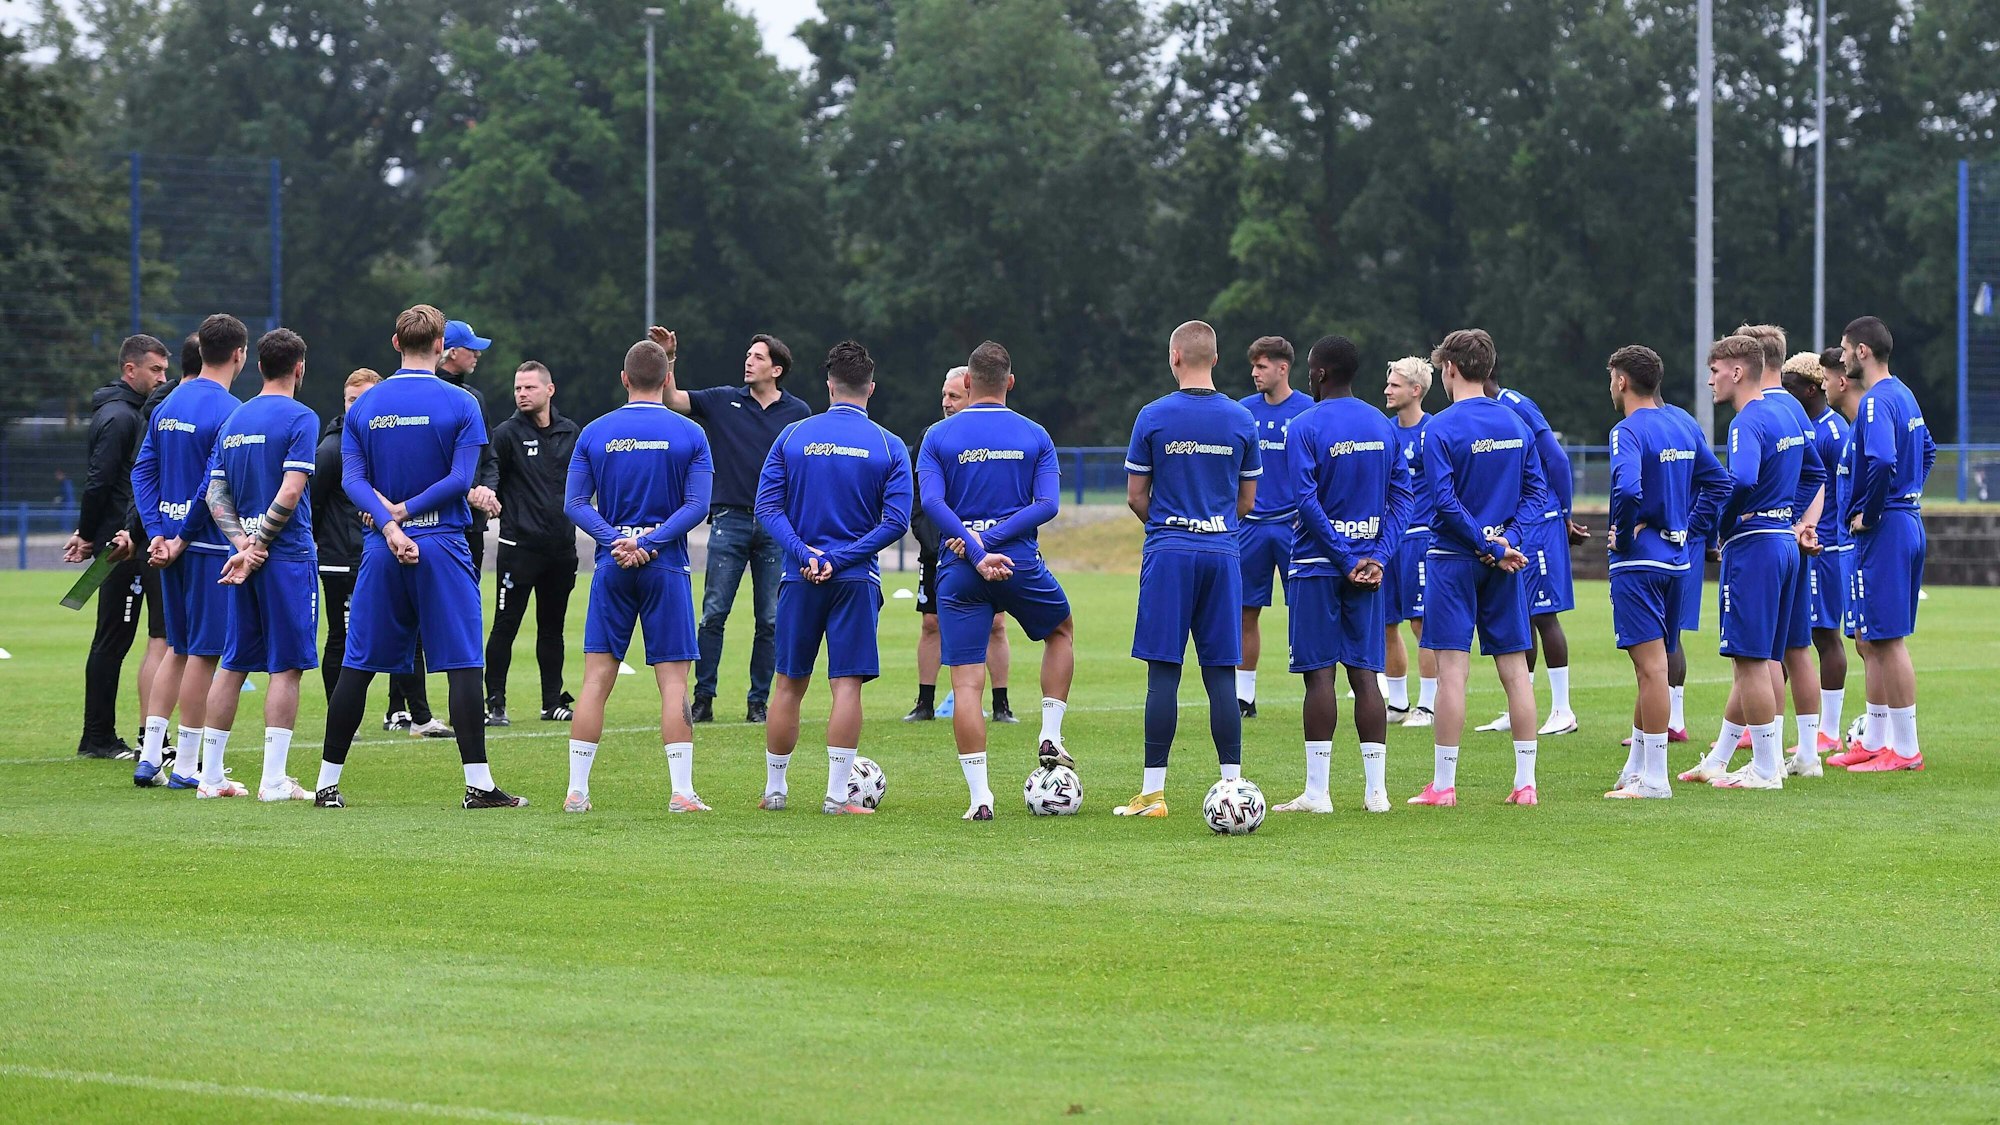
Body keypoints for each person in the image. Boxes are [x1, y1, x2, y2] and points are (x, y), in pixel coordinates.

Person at [311, 304, 526, 810]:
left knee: (357, 664)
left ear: (395, 343)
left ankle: (326, 785)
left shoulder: (365, 404)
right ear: (441, 346)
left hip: (381, 547)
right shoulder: (461, 402)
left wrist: (389, 524)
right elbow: (460, 478)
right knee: (463, 663)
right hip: (443, 542)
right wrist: (407, 513)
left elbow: (352, 480)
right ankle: (479, 785)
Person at [917, 341, 1075, 820]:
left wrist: (974, 543)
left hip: (959, 568)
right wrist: (994, 539)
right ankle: (1050, 733)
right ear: (1010, 382)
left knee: (967, 684)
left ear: (967, 382)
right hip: (1018, 562)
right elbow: (1048, 504)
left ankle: (980, 798)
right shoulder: (1035, 434)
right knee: (1060, 630)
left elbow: (932, 504)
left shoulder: (937, 436)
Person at [753, 340, 911, 815]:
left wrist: (805, 553)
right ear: (871, 388)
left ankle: (775, 792)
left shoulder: (792, 435)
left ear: (829, 385)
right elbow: (896, 522)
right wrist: (840, 559)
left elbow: (767, 507)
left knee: (788, 683)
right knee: (846, 685)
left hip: (800, 576)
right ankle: (837, 797)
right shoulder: (889, 444)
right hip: (855, 579)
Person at [1115, 321, 1261, 819]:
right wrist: (1212, 525)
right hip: (1222, 552)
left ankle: (1153, 795)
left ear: (1174, 357)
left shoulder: (1153, 416)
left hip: (1169, 554)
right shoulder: (1241, 418)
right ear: (1215, 359)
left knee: (1164, 672)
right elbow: (1247, 501)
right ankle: (1232, 786)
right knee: (1221, 673)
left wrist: (1170, 526)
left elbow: (1136, 496)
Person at [562, 339, 715, 813]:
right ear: (667, 380)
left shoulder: (594, 432)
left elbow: (574, 504)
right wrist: (649, 542)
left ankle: (577, 791)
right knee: (673, 683)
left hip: (612, 563)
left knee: (595, 680)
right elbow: (698, 506)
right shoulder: (690, 433)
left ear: (624, 379)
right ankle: (682, 792)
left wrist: (616, 540)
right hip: (664, 564)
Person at [1270, 336, 1410, 815]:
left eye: (1310, 370)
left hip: (1316, 567)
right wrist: (1378, 556)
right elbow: (1403, 497)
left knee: (1320, 677)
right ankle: (1377, 794)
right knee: (1366, 674)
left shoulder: (1304, 425)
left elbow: (1305, 501)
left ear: (1320, 373)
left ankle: (1318, 793)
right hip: (1369, 567)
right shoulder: (1382, 425)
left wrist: (1344, 558)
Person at [1677, 333, 1824, 790]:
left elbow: (1739, 479)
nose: (1710, 381)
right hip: (1782, 543)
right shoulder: (1785, 413)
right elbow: (1815, 471)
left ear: (1737, 372)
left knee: (1751, 659)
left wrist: (1725, 523)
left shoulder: (1746, 422)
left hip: (1756, 546)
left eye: (1715, 371)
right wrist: (1789, 515)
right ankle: (1735, 760)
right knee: (1761, 658)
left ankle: (1765, 768)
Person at [651, 326, 813, 724]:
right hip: (730, 520)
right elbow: (673, 399)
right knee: (713, 614)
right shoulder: (724, 399)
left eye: (757, 357)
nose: (748, 361)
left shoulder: (799, 413)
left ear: (777, 370)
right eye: (748, 355)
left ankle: (758, 702)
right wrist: (668, 357)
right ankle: (703, 698)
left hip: (777, 526)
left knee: (770, 620)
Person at [1410, 329, 1543, 807]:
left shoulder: (1440, 427)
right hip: (1504, 562)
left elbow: (1444, 502)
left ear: (1449, 369)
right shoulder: (1516, 422)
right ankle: (1525, 784)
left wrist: (1485, 543)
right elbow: (1537, 493)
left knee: (1452, 673)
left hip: (1453, 560)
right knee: (1516, 672)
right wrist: (1507, 541)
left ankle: (1443, 786)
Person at [196, 327, 319, 801]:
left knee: (233, 664)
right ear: (299, 368)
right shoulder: (301, 417)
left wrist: (241, 545)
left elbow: (215, 491)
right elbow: (291, 489)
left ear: (259, 365)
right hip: (285, 557)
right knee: (286, 667)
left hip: (241, 555)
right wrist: (260, 545)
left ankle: (210, 778)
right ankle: (273, 781)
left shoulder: (235, 417)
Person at [1602, 346, 1730, 800]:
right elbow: (1719, 483)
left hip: (1640, 564)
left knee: (1651, 670)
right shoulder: (1682, 422)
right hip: (1677, 562)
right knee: (1653, 668)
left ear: (1622, 381)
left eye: (1612, 378)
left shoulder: (1626, 430)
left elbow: (1627, 489)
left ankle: (1655, 779)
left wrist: (1625, 535)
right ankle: (1635, 768)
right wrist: (1688, 529)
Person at [130, 314, 246, 789]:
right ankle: (186, 765)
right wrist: (179, 537)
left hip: (169, 545)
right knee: (203, 654)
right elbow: (212, 486)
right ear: (239, 355)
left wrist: (157, 532)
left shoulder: (169, 402)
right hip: (205, 546)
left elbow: (143, 471)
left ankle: (149, 757)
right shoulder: (232, 410)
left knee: (176, 649)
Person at [1831, 315, 1934, 772]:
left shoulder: (1875, 401)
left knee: (1888, 641)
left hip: (1887, 528)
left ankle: (1906, 750)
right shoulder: (1905, 394)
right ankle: (1875, 740)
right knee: (1875, 637)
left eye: (1844, 349)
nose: (1842, 358)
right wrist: (1909, 493)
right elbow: (1927, 450)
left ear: (1862, 351)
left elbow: (1883, 460)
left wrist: (1871, 513)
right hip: (1906, 520)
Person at [67, 334, 168, 760]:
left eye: (165, 370)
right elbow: (100, 480)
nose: (162, 378)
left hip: (122, 538)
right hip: (120, 546)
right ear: (130, 369)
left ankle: (101, 735)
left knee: (118, 638)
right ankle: (97, 737)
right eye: (155, 370)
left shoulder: (126, 412)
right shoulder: (120, 418)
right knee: (112, 639)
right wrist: (91, 533)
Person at [1475, 366, 1585, 737]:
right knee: (1521, 615)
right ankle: (1520, 706)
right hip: (1520, 522)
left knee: (1543, 614)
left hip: (1540, 520)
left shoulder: (1515, 404)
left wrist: (1565, 514)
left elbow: (1557, 459)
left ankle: (1562, 709)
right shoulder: (1490, 411)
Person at [1733, 324, 1824, 767]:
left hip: (1766, 541)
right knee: (1796, 648)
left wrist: (1777, 516)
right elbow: (1815, 474)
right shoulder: (1793, 407)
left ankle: (1766, 751)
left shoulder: (1763, 409)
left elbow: (1747, 480)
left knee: (1762, 652)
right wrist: (1802, 521)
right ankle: (1806, 752)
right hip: (1790, 539)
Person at [907, 366, 1012, 724]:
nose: (946, 402)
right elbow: (919, 498)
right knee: (931, 623)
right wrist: (933, 541)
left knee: (996, 623)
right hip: (938, 550)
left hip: (986, 543)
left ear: (972, 394)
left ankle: (1001, 705)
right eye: (944, 395)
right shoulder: (930, 437)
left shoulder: (993, 438)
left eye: (954, 396)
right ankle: (924, 703)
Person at [484, 361, 581, 726]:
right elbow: (491, 475)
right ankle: (495, 703)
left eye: (529, 387)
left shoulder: (570, 432)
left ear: (549, 390)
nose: (522, 394)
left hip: (561, 550)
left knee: (552, 628)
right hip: (518, 549)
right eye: (518, 388)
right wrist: (488, 496)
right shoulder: (506, 434)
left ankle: (552, 702)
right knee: (505, 625)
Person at [1233, 335, 1312, 718]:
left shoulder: (1308, 410)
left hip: (1295, 526)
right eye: (1254, 365)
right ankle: (1244, 697)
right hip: (1250, 526)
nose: (1255, 373)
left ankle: (1317, 689)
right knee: (1245, 611)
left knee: (1305, 609)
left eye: (1261, 366)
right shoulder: (1242, 411)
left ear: (1283, 368)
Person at [1782, 348, 1852, 771]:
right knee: (1789, 638)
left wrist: (1831, 532)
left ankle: (1829, 728)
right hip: (1801, 542)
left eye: (1789, 387)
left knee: (1824, 635)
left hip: (1824, 547)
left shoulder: (1833, 431)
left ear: (1811, 389)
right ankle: (1762, 720)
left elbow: (1842, 488)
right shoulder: (1800, 426)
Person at [315, 369, 380, 700]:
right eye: (351, 400)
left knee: (398, 633)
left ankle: (403, 711)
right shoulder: (331, 449)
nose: (356, 406)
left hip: (375, 554)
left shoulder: (382, 442)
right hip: (341, 560)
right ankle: (336, 712)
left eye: (364, 399)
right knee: (342, 637)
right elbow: (312, 503)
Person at [1382, 355, 1437, 727]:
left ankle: (1428, 705)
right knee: (1386, 623)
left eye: (1395, 384)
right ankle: (1398, 703)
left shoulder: (1433, 431)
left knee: (1421, 623)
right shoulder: (1384, 431)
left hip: (1421, 538)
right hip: (1388, 541)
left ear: (1415, 390)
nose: (1387, 389)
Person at [439, 319, 502, 569]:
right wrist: (468, 493)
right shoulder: (427, 395)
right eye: (471, 348)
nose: (478, 354)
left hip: (473, 522)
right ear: (452, 352)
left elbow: (489, 456)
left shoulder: (475, 398)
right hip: (438, 522)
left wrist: (487, 491)